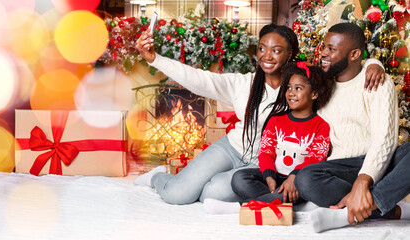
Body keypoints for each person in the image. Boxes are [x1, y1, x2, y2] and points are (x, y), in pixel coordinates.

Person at [133, 23, 385, 205]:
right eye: (262, 48)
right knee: (177, 195)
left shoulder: (302, 86)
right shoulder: (243, 83)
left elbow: (345, 63)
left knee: (213, 194)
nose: (267, 55)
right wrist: (154, 59)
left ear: (290, 54)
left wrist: (375, 62)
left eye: (276, 50)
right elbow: (199, 79)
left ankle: (203, 184)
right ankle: (159, 178)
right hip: (231, 148)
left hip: (263, 164)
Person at [292, 22, 410, 233]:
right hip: (341, 168)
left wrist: (363, 181)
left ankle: (356, 208)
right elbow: (290, 85)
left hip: (379, 163)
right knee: (306, 178)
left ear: (355, 54)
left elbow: (385, 139)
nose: (323, 53)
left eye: (332, 49)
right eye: (324, 46)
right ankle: (390, 209)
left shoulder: (376, 82)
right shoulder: (321, 83)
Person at [204, 62, 334, 214]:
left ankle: (240, 207)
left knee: (303, 187)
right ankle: (284, 202)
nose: (291, 92)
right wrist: (268, 175)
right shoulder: (276, 120)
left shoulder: (321, 125)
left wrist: (294, 177)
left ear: (314, 94)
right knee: (239, 178)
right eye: (289, 87)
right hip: (275, 177)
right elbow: (266, 151)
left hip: (299, 181)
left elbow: (315, 158)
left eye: (298, 88)